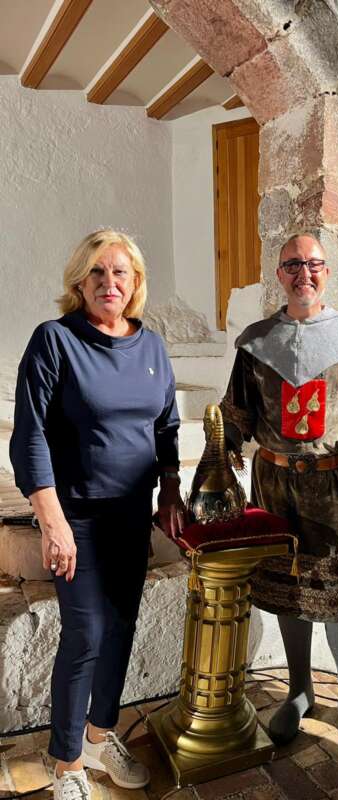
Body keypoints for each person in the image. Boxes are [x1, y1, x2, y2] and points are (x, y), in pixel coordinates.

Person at [10, 230, 186, 800]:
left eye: (120, 273)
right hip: (76, 518)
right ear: (79, 282)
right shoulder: (56, 340)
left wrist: (169, 492)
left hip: (131, 517)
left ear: (135, 284)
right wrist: (52, 520)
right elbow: (29, 436)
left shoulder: (151, 347)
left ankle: (98, 736)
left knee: (120, 630)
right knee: (85, 633)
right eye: (98, 272)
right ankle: (66, 764)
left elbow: (166, 427)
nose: (109, 283)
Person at [219, 233, 338, 758]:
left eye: (314, 264)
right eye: (293, 265)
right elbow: (236, 416)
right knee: (286, 584)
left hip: (332, 487)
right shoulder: (256, 342)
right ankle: (299, 690)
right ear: (280, 274)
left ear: (327, 272)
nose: (304, 274)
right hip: (273, 485)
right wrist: (218, 466)